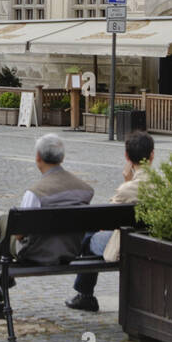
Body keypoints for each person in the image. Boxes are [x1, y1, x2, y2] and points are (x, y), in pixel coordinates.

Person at [0, 133, 94, 318]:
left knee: (2, 231)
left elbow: (19, 235)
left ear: (38, 158)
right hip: (70, 250)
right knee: (4, 227)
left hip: (36, 253)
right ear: (62, 158)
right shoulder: (84, 189)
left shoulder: (35, 193)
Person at [66, 131, 155, 312]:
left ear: (127, 156)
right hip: (151, 239)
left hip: (126, 243)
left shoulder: (127, 189)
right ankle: (84, 293)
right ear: (152, 155)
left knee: (90, 236)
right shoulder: (163, 184)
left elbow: (106, 217)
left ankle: (85, 294)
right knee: (91, 233)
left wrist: (126, 182)